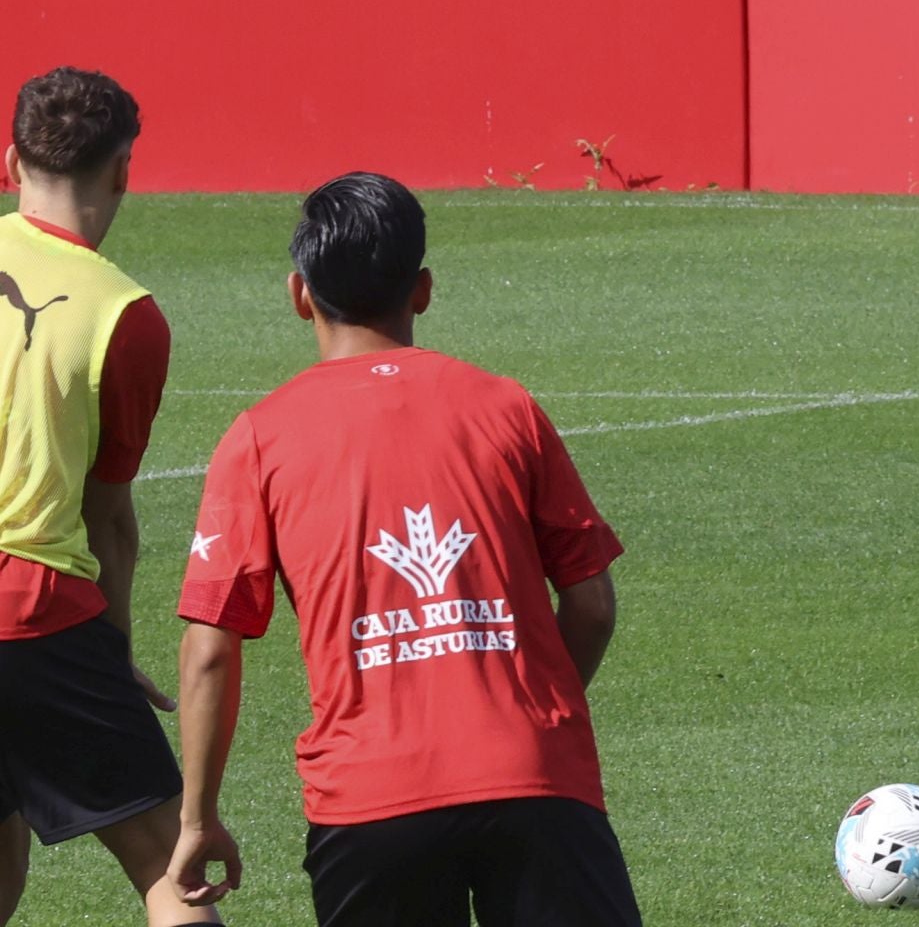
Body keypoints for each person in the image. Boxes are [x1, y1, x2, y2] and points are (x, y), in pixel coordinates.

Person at [167, 172, 644, 927]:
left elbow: (210, 651)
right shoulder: (506, 406)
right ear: (422, 290)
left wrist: (198, 819)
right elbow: (591, 603)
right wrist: (529, 717)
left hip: (370, 801)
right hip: (537, 783)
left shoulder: (259, 438)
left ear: (299, 294)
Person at [0, 67, 219, 927]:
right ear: (124, 171)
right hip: (37, 612)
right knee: (173, 870)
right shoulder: (125, 315)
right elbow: (109, 517)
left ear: (10, 161)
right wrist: (113, 647)